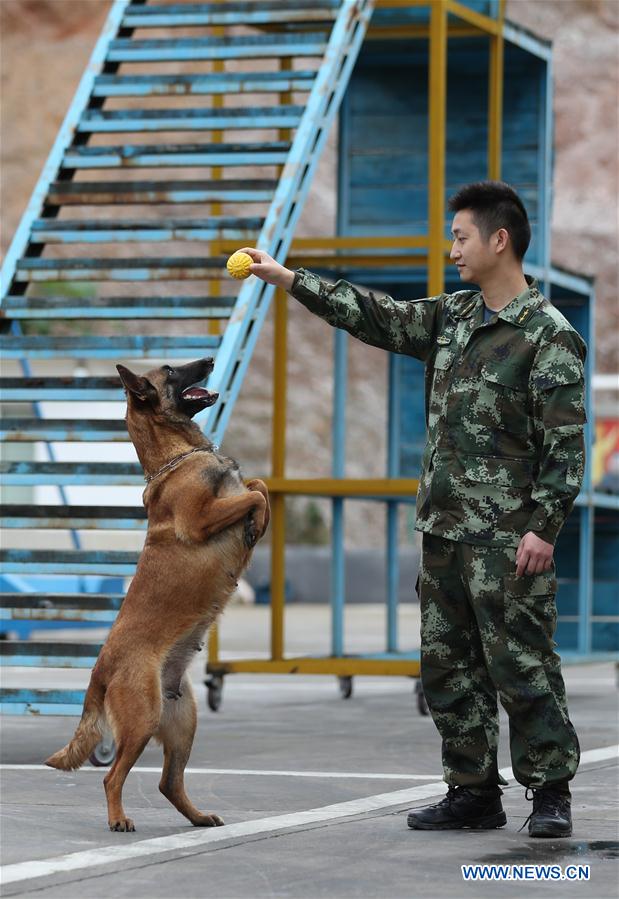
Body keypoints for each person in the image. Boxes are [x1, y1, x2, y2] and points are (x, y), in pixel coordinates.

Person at [238, 180, 586, 838]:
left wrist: (543, 528)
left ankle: (549, 793)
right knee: (447, 666)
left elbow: (564, 449)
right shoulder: (452, 318)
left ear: (498, 240)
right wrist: (288, 279)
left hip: (509, 543)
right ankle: (471, 791)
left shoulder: (548, 338)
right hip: (445, 535)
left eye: (460, 236)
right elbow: (375, 315)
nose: (451, 248)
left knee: (521, 664)